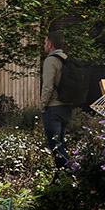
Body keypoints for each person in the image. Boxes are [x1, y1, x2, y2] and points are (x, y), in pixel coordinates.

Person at [39, 32, 73, 169]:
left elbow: (47, 86)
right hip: (66, 108)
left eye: (45, 43)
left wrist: (42, 106)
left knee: (56, 149)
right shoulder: (66, 59)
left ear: (51, 45)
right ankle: (59, 180)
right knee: (60, 145)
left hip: (53, 109)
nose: (44, 45)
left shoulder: (50, 60)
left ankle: (73, 174)